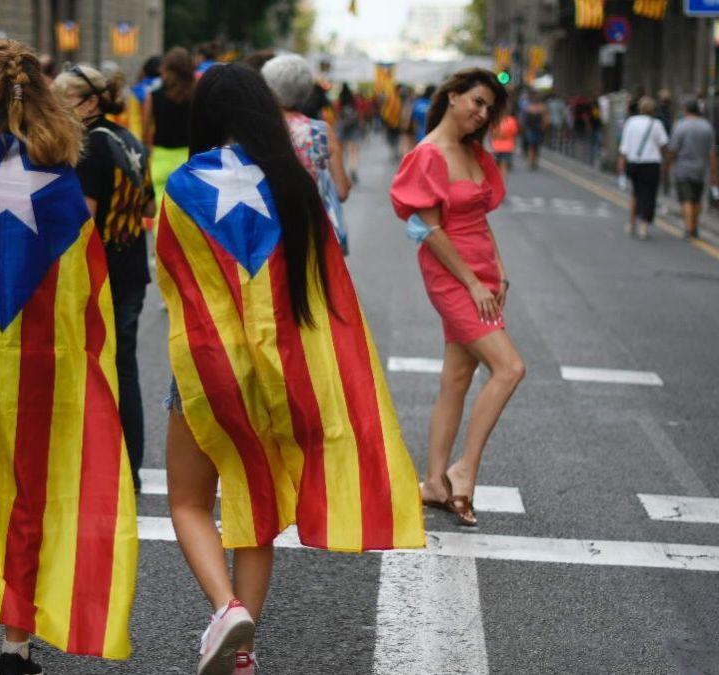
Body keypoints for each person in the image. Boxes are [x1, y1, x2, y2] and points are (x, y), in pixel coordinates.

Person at [159, 63, 424, 675]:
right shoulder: (296, 184)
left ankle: (227, 611)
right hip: (281, 371)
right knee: (255, 505)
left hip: (206, 367)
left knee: (189, 503)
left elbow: (175, 283)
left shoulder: (182, 185)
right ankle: (242, 652)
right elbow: (325, 290)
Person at [0, 39, 138, 675]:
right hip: (41, 354)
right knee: (30, 492)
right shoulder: (62, 175)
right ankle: (17, 644)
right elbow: (80, 280)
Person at [390, 68, 524, 528]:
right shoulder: (427, 155)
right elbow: (431, 229)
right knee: (509, 368)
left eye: (489, 109)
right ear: (452, 97)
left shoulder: (474, 153)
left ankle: (432, 482)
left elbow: (480, 222)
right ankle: (463, 470)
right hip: (453, 275)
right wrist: (471, 282)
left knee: (457, 378)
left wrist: (499, 272)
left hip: (482, 273)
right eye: (477, 102)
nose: (482, 114)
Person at [53, 63, 156, 493]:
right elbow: (148, 208)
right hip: (132, 266)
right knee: (123, 366)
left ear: (92, 102)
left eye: (64, 101)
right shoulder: (128, 139)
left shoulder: (91, 146)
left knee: (92, 368)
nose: (58, 110)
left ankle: (100, 466)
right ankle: (129, 465)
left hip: (101, 273)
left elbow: (83, 218)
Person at [261, 54, 351, 250]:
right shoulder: (321, 131)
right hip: (315, 235)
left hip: (270, 236)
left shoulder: (259, 132)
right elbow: (342, 191)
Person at [143, 46, 193, 205]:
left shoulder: (153, 96)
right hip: (188, 158)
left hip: (160, 157)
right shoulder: (196, 96)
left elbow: (146, 129)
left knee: (160, 209)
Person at [617, 96, 669, 241]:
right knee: (649, 195)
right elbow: (664, 143)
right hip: (651, 164)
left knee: (635, 194)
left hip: (634, 163)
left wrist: (621, 162)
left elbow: (624, 146)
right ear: (653, 109)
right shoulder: (657, 124)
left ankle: (632, 223)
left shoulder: (631, 122)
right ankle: (644, 227)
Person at [665, 99, 714, 240]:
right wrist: (714, 172)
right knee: (697, 200)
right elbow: (711, 153)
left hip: (683, 169)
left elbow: (673, 148)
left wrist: (668, 163)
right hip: (701, 169)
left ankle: (688, 228)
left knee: (686, 199)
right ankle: (695, 226)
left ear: (686, 109)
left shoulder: (680, 126)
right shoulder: (707, 127)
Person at [336, 83, 361, 183]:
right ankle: (353, 168)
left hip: (342, 127)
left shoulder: (340, 101)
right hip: (353, 128)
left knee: (341, 151)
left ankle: (342, 172)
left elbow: (337, 114)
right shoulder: (354, 101)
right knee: (353, 151)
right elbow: (358, 113)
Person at [491, 101, 519, 185]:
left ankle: (496, 189)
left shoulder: (495, 121)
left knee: (494, 170)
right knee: (504, 169)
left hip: (495, 148)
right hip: (507, 148)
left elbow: (492, 133)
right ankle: (503, 188)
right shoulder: (512, 121)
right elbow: (514, 133)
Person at [521, 91, 547, 170]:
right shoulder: (542, 108)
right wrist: (544, 128)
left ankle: (531, 161)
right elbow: (545, 120)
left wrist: (523, 128)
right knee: (536, 146)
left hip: (530, 129)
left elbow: (523, 119)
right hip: (537, 130)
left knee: (532, 146)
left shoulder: (528, 108)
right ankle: (534, 161)